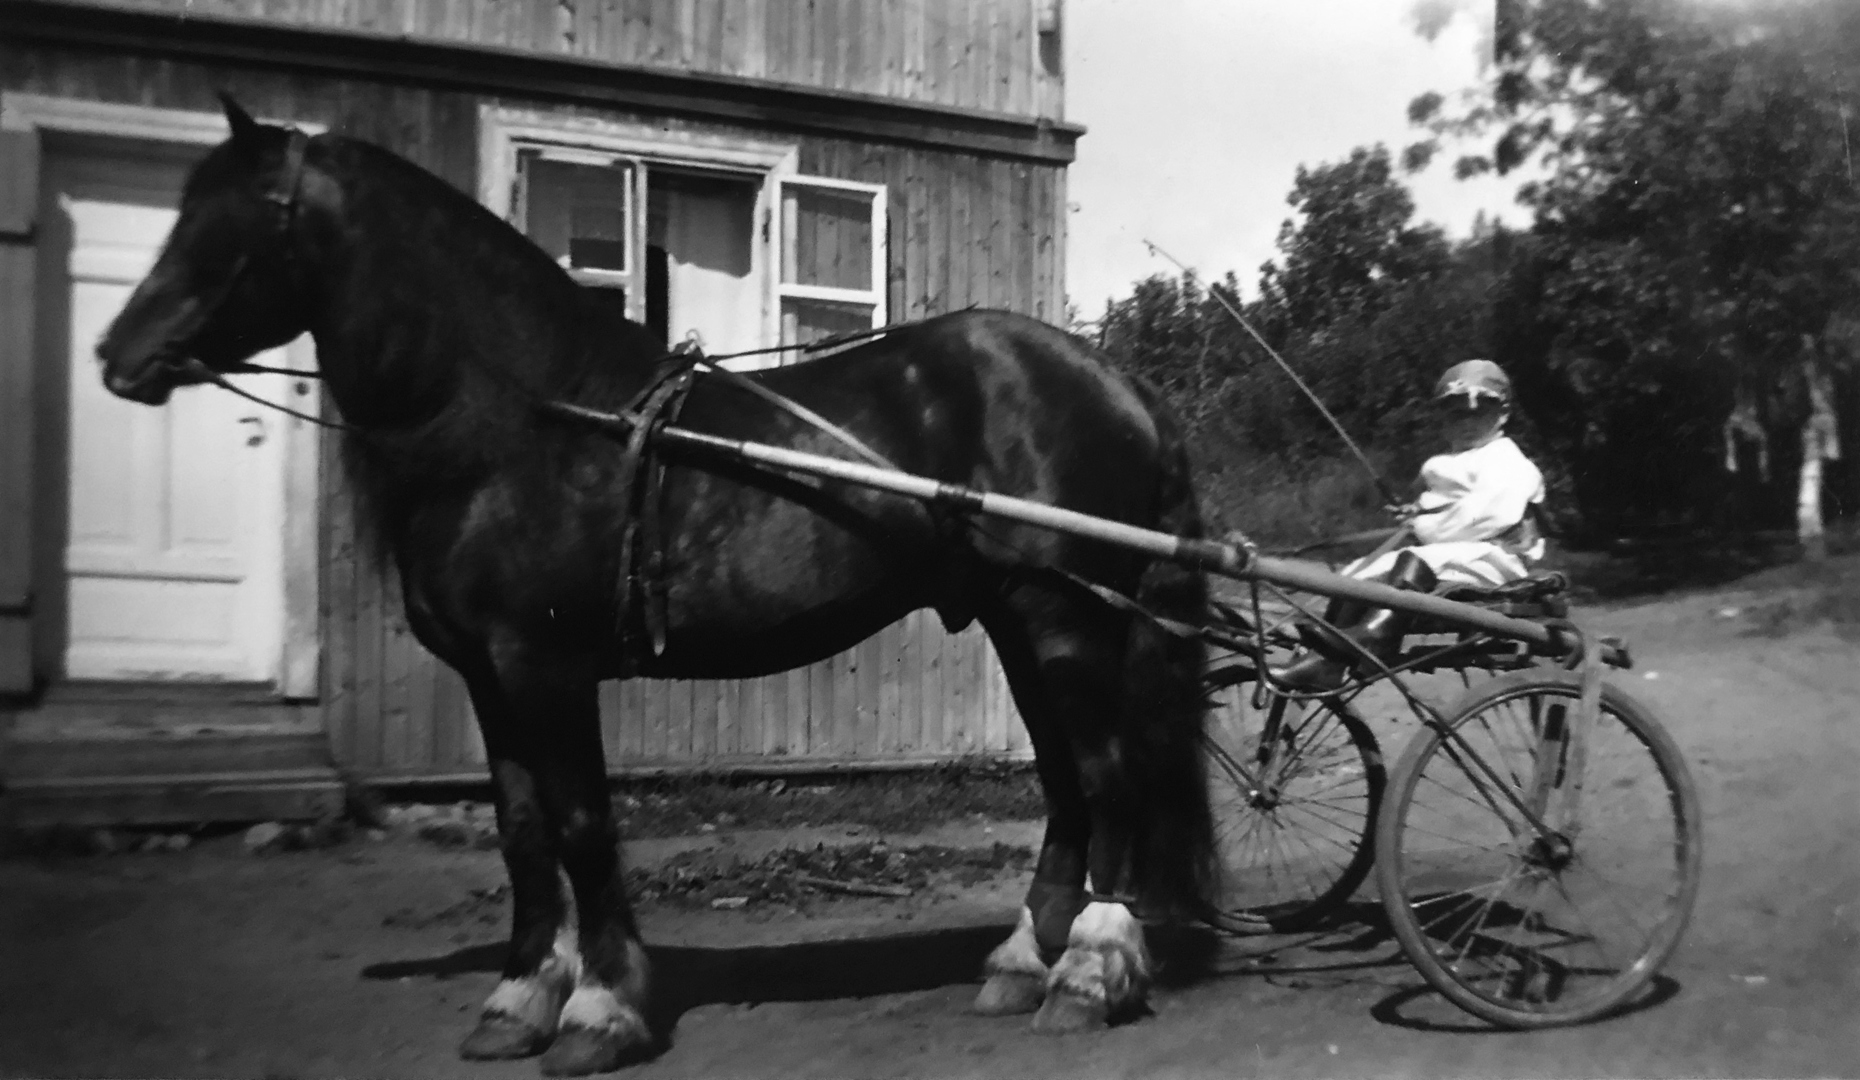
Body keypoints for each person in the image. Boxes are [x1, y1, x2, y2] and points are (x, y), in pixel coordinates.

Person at [1276, 359, 1546, 689]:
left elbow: (1488, 516)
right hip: (1459, 553)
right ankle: (1324, 656)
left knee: (1412, 562)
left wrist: (1424, 527)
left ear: (1502, 414)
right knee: (1358, 573)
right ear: (1444, 421)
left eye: (1480, 412)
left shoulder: (1507, 460)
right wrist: (1417, 512)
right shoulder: (1451, 463)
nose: (1468, 422)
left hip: (1495, 559)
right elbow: (1445, 506)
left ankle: (1376, 639)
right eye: (1457, 413)